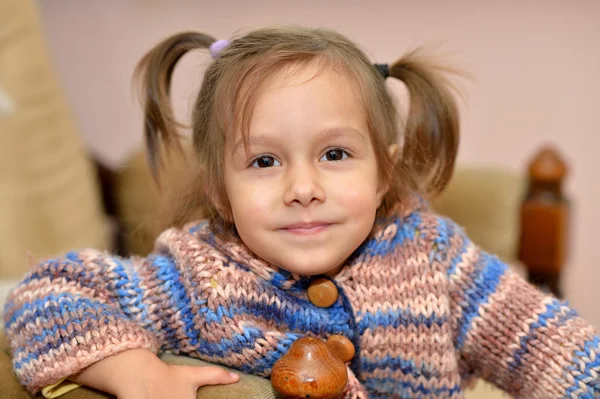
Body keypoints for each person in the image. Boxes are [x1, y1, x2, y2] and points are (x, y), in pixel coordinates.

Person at [4, 27, 599, 399]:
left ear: (383, 172)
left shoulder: (434, 259)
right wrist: (134, 371)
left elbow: (552, 346)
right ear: (219, 192)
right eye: (264, 161)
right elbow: (41, 295)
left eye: (335, 154)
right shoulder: (200, 279)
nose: (303, 187)